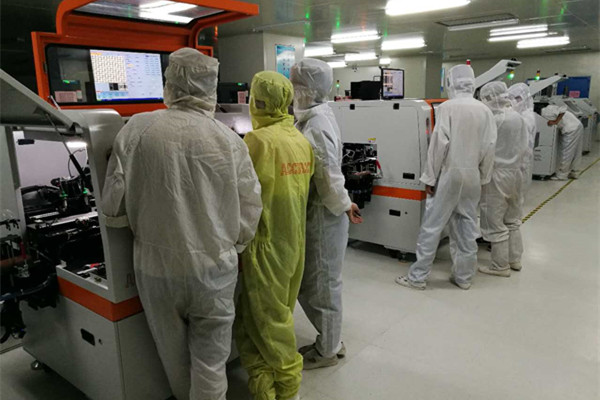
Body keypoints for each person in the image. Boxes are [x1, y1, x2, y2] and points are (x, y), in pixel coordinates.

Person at [101, 48, 262, 400]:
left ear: (169, 83)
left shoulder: (137, 128)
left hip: (156, 267)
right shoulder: (228, 140)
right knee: (211, 361)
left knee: (172, 355)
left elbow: (112, 207)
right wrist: (234, 245)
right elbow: (251, 207)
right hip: (214, 268)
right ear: (211, 87)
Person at [234, 71, 314, 400]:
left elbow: (240, 196)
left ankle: (289, 388)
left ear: (258, 101)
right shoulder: (300, 140)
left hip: (264, 245)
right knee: (254, 319)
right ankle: (264, 386)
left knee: (270, 323)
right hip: (293, 243)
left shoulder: (257, 141)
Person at [395, 64, 497, 291]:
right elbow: (490, 147)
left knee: (432, 227)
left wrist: (429, 178)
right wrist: (483, 178)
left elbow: (439, 145)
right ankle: (464, 277)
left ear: (451, 82)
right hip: (472, 175)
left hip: (449, 174)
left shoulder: (448, 107)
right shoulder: (485, 110)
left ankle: (418, 277)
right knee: (467, 228)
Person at [289, 59, 363, 370]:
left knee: (322, 285)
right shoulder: (315, 116)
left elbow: (329, 174)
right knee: (320, 282)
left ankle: (329, 350)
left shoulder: (316, 124)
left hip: (324, 215)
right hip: (322, 212)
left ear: (305, 89)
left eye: (295, 86)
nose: (292, 91)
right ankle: (329, 341)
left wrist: (344, 204)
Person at [478, 81, 528, 276]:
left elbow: (484, 149)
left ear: (490, 97)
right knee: (512, 219)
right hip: (516, 173)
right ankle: (515, 259)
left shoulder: (495, 120)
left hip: (497, 174)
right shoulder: (517, 117)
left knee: (494, 220)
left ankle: (500, 266)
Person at [508, 83, 537, 206]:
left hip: (522, 159)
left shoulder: (527, 117)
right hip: (517, 159)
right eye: (511, 98)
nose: (514, 102)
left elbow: (523, 142)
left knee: (519, 186)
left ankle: (516, 205)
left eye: (517, 98)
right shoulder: (521, 114)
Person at [541, 105, 584, 180]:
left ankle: (562, 175)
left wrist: (556, 121)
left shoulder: (546, 111)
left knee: (566, 152)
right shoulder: (549, 108)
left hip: (571, 128)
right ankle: (574, 172)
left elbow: (563, 109)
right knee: (576, 151)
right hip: (577, 125)